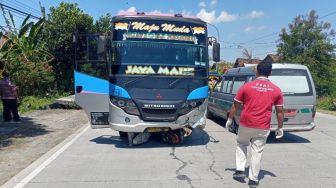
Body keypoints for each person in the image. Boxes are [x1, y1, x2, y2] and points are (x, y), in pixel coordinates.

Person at [226, 60, 284, 188]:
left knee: (241, 143)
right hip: (263, 126)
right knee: (257, 151)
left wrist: (230, 119)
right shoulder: (276, 90)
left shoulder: (246, 86)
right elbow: (280, 111)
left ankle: (240, 171)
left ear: (257, 71)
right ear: (270, 73)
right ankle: (253, 179)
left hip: (246, 123)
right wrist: (280, 127)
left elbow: (235, 105)